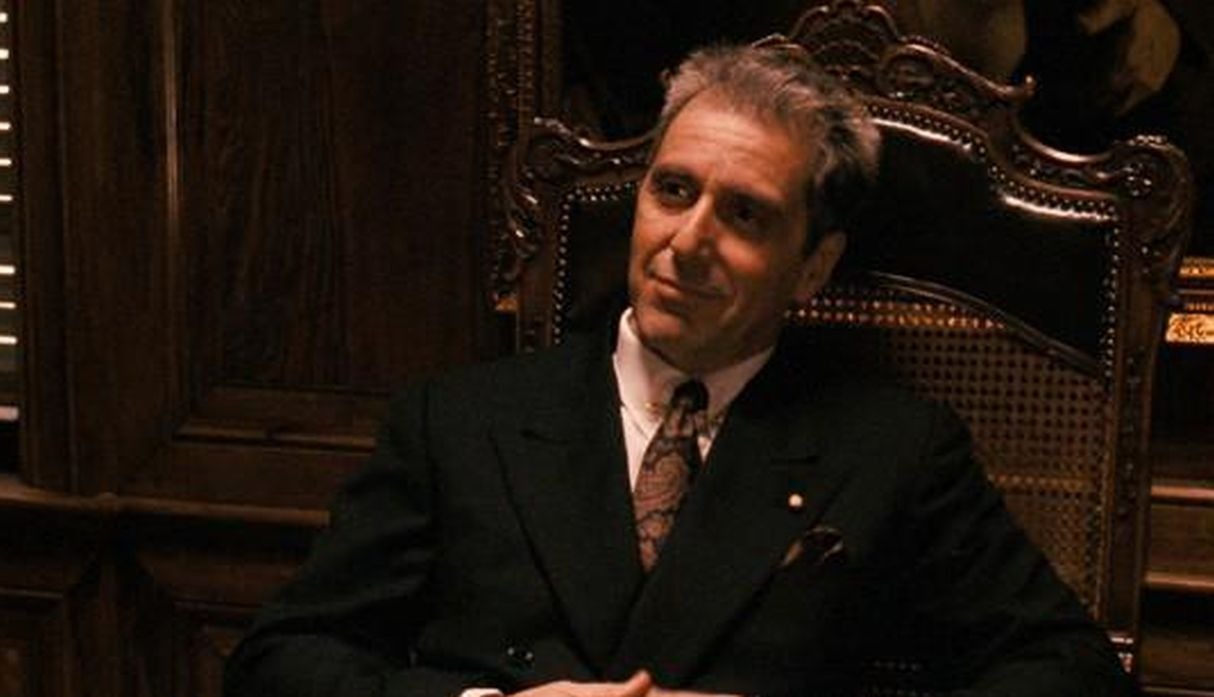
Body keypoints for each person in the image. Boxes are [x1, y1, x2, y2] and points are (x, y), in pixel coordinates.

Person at [224, 44, 1133, 697]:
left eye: (744, 214)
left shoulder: (892, 449)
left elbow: (1074, 672)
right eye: (673, 190)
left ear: (812, 267)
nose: (688, 241)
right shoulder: (458, 421)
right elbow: (280, 660)